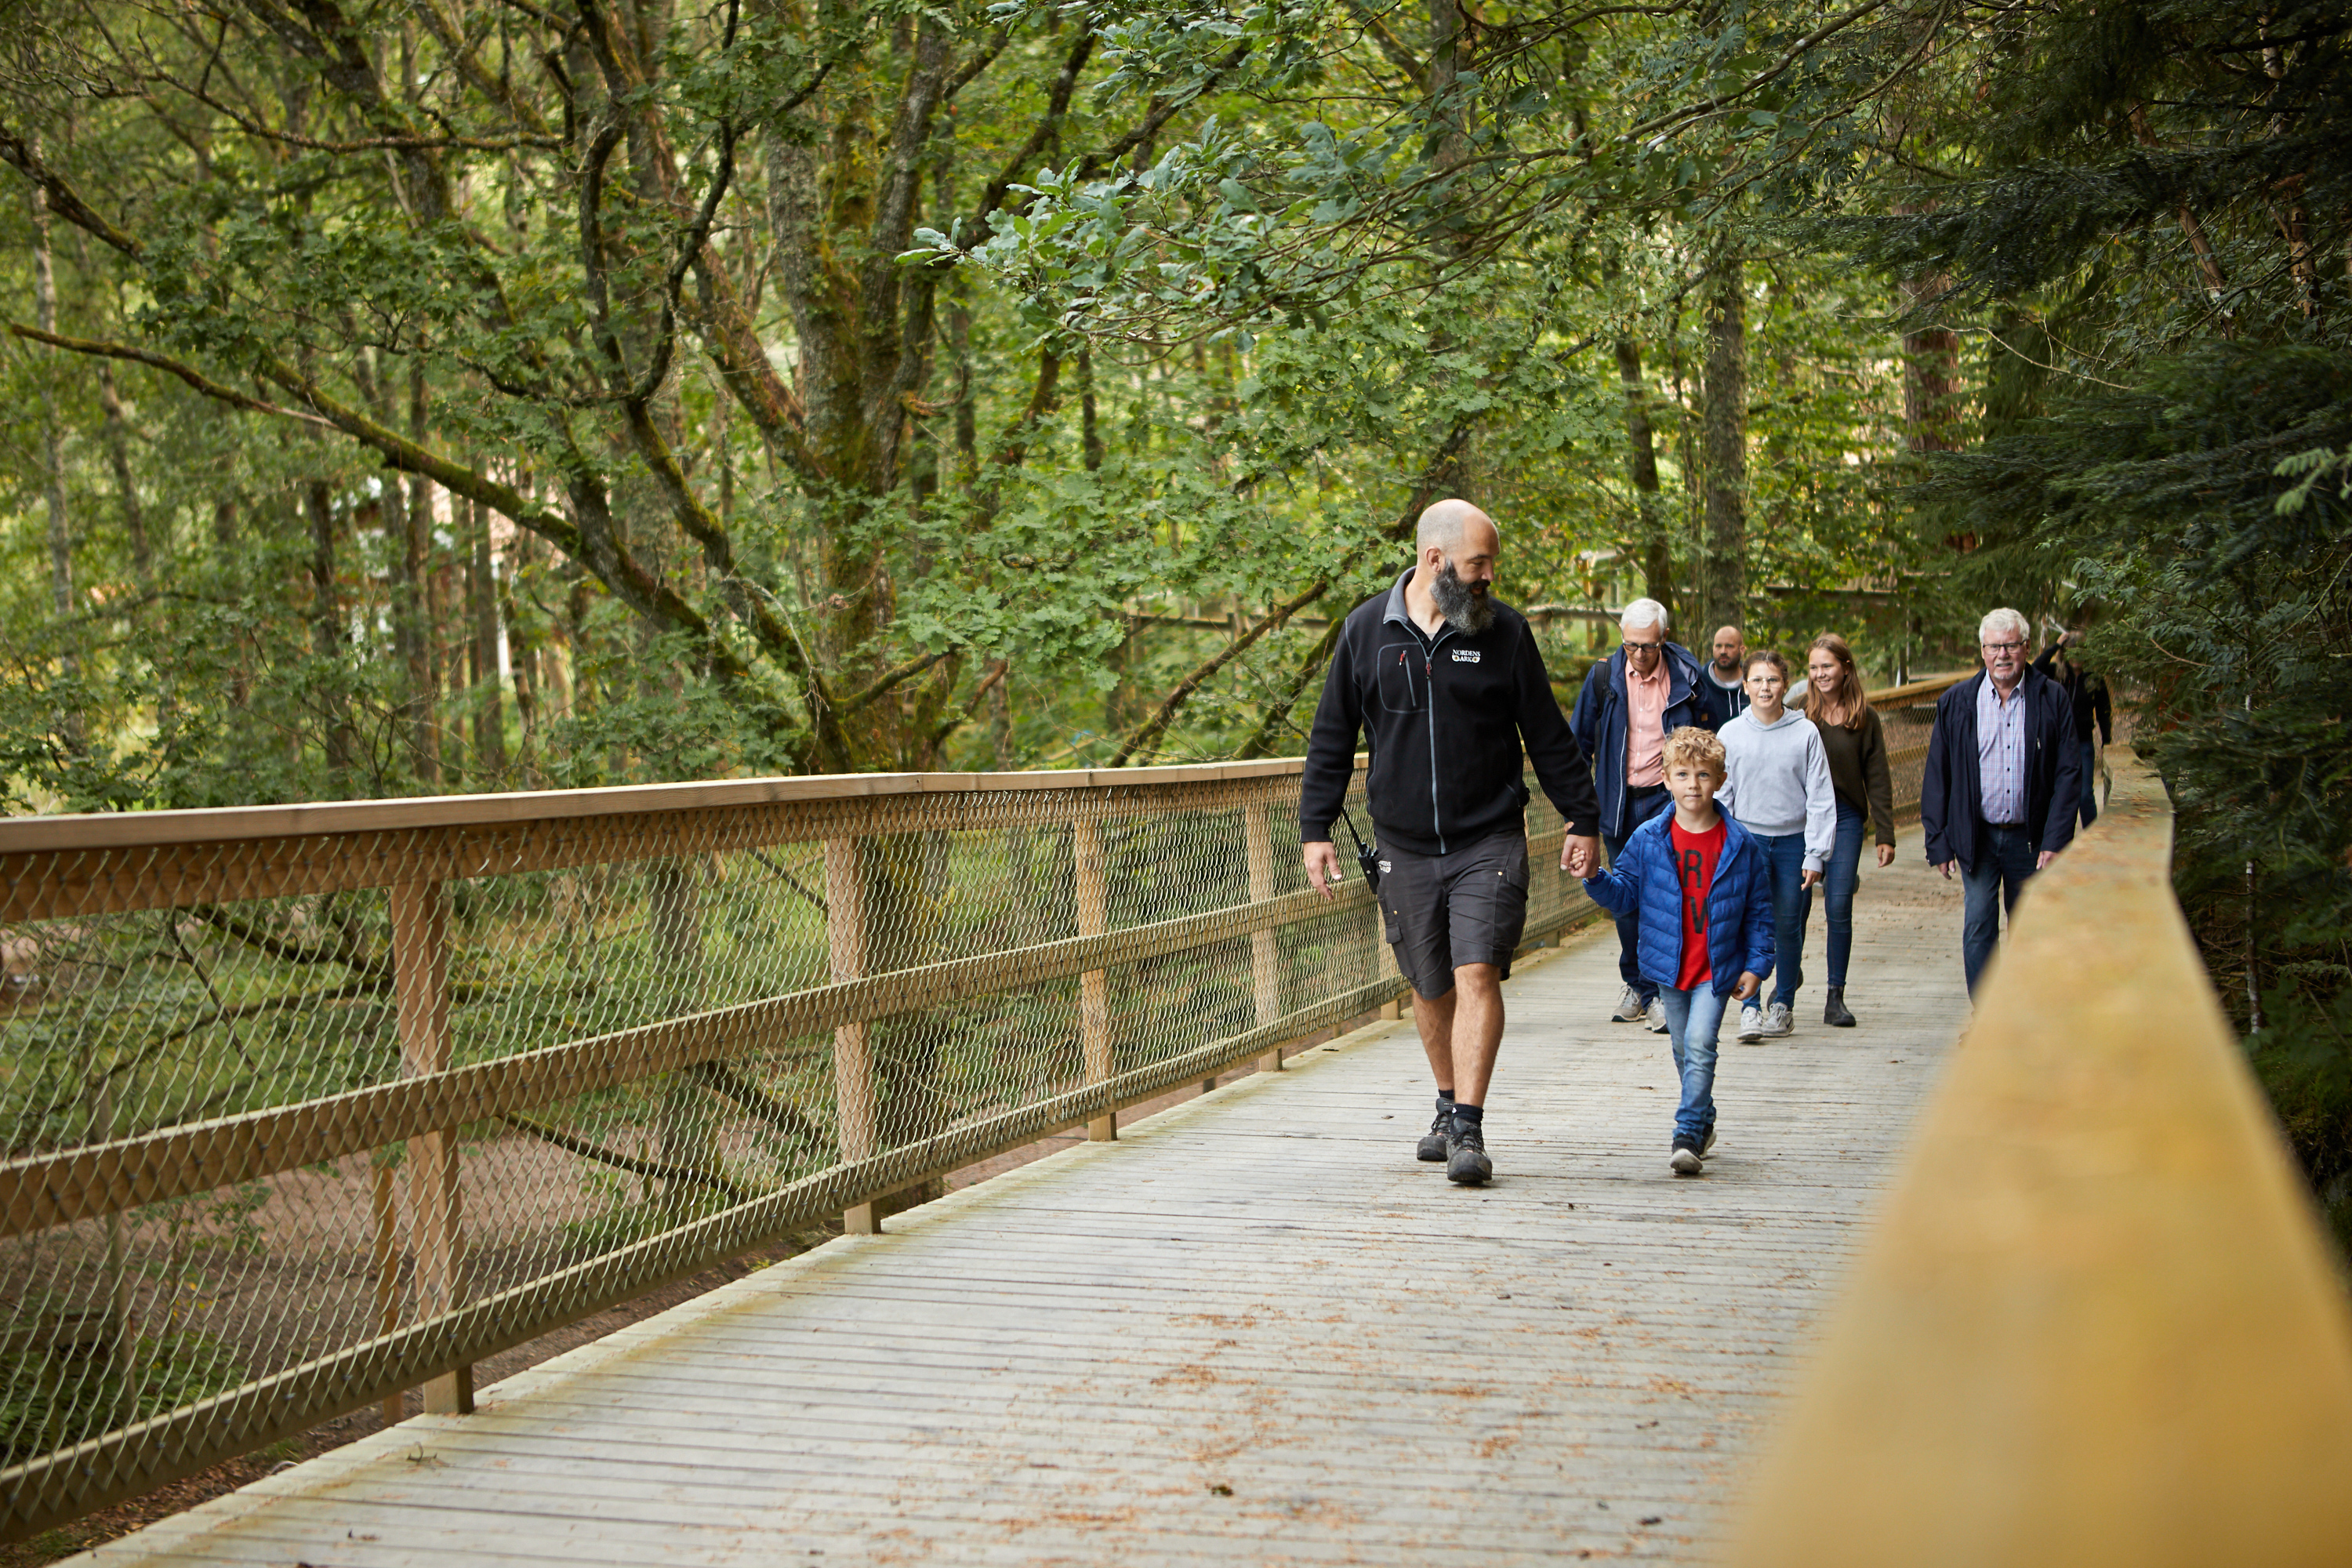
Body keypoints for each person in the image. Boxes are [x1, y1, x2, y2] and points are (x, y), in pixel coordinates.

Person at [1299, 499, 1601, 1188]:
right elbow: (1331, 738)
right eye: (1479, 564)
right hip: (1402, 845)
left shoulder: (1504, 635)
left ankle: (1468, 1125)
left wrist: (1583, 818)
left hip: (1487, 837)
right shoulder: (1365, 632)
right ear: (1435, 562)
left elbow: (1548, 737)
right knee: (1429, 984)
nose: (1489, 575)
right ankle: (1444, 1104)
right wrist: (1316, 829)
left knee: (1476, 972)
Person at [1579, 726, 1774, 1175]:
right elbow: (1626, 893)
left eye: (1703, 775)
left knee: (1702, 1043)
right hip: (1669, 966)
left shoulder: (1740, 843)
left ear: (1720, 779)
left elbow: (1760, 912)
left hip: (1718, 966)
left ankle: (1685, 1132)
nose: (1693, 785)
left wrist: (1758, 965)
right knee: (1685, 1052)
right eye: (1683, 774)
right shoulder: (1649, 837)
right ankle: (1704, 1119)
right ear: (1665, 779)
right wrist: (1595, 878)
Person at [1569, 600, 1718, 1036]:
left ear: (1663, 639)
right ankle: (1639, 985)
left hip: (1666, 803)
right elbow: (1578, 745)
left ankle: (1661, 990)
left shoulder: (1688, 679)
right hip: (1617, 802)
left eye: (1647, 647)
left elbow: (1710, 738)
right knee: (1625, 898)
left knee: (1667, 896)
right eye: (1630, 645)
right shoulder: (1603, 678)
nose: (1638, 654)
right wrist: (1578, 812)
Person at [1920, 608, 2085, 995]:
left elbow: (2068, 773)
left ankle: (2026, 1016)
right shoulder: (1957, 702)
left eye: (2010, 645)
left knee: (2029, 927)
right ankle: (1986, 1016)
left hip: (2031, 839)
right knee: (1979, 925)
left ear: (2027, 648)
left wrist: (2055, 839)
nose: (2003, 655)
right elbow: (1937, 776)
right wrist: (1938, 841)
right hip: (1977, 836)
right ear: (1982, 650)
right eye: (1994, 646)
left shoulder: (2051, 698)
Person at [1718, 650, 1835, 1042]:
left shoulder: (1805, 733)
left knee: (1787, 925)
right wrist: (1724, 846)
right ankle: (1749, 1007)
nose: (1765, 687)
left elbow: (1820, 796)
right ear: (1745, 684)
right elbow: (1723, 795)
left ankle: (1782, 1003)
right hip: (1747, 841)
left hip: (1792, 842)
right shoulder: (1731, 734)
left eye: (1772, 680)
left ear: (1785, 684)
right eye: (1757, 680)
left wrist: (1815, 852)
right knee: (1749, 926)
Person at [1802, 633, 1896, 1029]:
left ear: (1845, 668)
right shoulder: (1800, 715)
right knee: (1796, 905)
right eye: (1814, 668)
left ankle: (1835, 996)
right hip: (1803, 820)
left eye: (1828, 666)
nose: (1821, 674)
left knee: (1839, 905)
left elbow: (1877, 776)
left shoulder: (1864, 719)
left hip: (1846, 819)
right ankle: (1786, 981)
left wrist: (1886, 832)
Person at [2034, 628, 2111, 829]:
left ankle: (2092, 838)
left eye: (2081, 652)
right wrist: (2056, 645)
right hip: (2056, 743)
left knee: (2085, 794)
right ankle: (2054, 840)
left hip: (2083, 742)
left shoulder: (2094, 679)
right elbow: (2034, 668)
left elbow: (2104, 711)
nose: (2077, 658)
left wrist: (2107, 741)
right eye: (2072, 652)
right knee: (2056, 793)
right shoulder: (2054, 673)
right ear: (2066, 653)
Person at [1704, 624, 1749, 724]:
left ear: (1742, 650)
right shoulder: (1699, 683)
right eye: (1718, 646)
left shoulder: (1753, 683)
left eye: (1729, 646)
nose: (1723, 651)